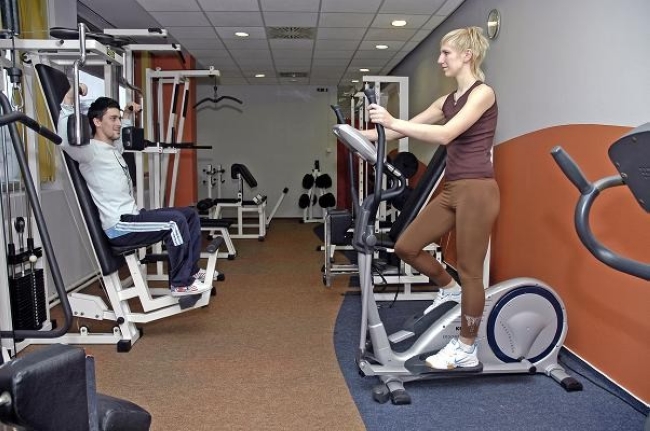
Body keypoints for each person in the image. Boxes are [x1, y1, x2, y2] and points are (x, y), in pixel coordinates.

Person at [361, 27, 499, 370]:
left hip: (477, 190)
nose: (440, 60)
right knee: (406, 246)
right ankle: (449, 289)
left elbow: (446, 134)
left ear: (467, 55)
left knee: (471, 272)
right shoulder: (446, 101)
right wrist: (358, 133)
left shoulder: (483, 94)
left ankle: (466, 346)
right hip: (452, 189)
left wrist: (393, 121)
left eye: (446, 53)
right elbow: (397, 129)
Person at [58, 84, 212, 297]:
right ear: (97, 122)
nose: (118, 123)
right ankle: (181, 283)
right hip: (119, 226)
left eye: (118, 118)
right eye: (113, 118)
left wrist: (129, 114)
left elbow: (124, 137)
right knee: (174, 222)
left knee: (190, 214)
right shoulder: (89, 151)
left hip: (133, 217)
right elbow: (65, 142)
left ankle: (192, 271)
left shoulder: (112, 148)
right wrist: (69, 98)